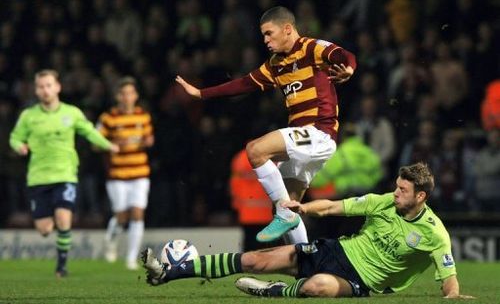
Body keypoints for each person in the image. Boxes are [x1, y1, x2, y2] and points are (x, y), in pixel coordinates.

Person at [141, 163, 474, 299]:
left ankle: (274, 291)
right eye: (397, 186)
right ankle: (167, 272)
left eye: (402, 190)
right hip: (336, 250)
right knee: (254, 259)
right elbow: (331, 206)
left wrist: (453, 295)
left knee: (318, 287)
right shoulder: (382, 201)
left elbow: (448, 276)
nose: (395, 193)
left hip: (361, 281)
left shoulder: (435, 233)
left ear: (421, 197)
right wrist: (302, 208)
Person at [176, 6, 357, 243]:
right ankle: (304, 265)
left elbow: (345, 55)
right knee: (290, 208)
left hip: (318, 133)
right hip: (302, 142)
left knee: (255, 150)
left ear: (288, 29)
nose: (265, 40)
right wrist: (202, 93)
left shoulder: (311, 48)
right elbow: (242, 84)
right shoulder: (275, 64)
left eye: (269, 33)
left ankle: (284, 215)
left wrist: (349, 69)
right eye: (263, 35)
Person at [9, 69, 119, 277]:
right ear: (36, 90)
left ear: (57, 87)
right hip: (38, 178)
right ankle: (51, 229)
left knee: (63, 217)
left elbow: (89, 132)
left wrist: (108, 145)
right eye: (41, 86)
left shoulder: (72, 113)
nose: (45, 90)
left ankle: (61, 267)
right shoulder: (28, 116)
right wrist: (19, 146)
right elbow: (14, 137)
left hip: (65, 174)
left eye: (49, 85)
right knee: (44, 229)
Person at [97, 76, 154, 270]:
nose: (127, 96)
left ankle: (131, 258)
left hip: (140, 173)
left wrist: (148, 142)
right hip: (117, 175)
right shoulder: (109, 118)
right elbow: (95, 143)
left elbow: (149, 138)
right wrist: (112, 145)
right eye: (123, 93)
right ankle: (111, 237)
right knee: (122, 216)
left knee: (137, 214)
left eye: (130, 92)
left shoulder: (143, 116)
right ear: (117, 96)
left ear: (135, 95)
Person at [230, 148, 273, 250]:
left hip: (247, 213)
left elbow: (234, 184)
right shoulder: (270, 156)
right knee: (267, 250)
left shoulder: (241, 157)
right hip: (267, 213)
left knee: (250, 250)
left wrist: (236, 203)